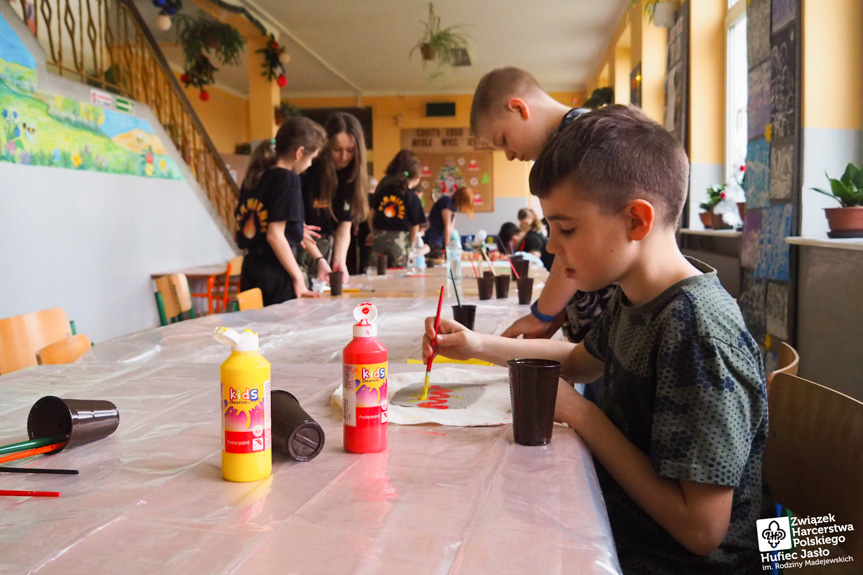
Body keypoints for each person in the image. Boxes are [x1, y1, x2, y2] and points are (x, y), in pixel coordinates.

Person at [424, 105, 770, 573]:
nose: (550, 246)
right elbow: (578, 360)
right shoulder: (638, 296)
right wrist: (477, 345)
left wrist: (580, 413)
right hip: (622, 524)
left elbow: (702, 530)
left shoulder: (696, 331)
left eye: (566, 229)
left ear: (636, 222)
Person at [470, 66, 614, 343]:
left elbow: (575, 247)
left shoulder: (578, 141)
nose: (509, 155)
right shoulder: (568, 141)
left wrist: (542, 314)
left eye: (503, 141)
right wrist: (557, 312)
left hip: (611, 333)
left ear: (518, 108)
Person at [234, 117, 328, 305]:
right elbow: (274, 236)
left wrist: (296, 229)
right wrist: (298, 279)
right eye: (311, 159)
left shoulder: (254, 177)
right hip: (275, 275)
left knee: (255, 333)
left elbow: (245, 228)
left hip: (250, 271)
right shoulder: (288, 179)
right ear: (299, 153)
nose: (310, 165)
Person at [301, 112, 370, 285]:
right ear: (326, 147)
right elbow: (298, 227)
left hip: (326, 254)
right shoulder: (309, 170)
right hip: (302, 251)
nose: (343, 157)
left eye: (350, 150)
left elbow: (344, 227)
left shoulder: (352, 177)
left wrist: (340, 261)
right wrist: (319, 259)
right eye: (337, 150)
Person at [368, 150, 426, 267]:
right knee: (398, 275)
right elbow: (415, 226)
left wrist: (373, 231)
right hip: (399, 240)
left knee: (377, 272)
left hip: (379, 237)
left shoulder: (384, 188)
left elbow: (371, 213)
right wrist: (411, 245)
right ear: (417, 178)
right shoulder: (412, 197)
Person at [424, 185, 474, 260]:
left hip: (439, 237)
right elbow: (447, 226)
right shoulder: (446, 202)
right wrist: (448, 249)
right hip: (432, 237)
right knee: (436, 257)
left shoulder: (454, 208)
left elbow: (451, 229)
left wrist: (455, 246)